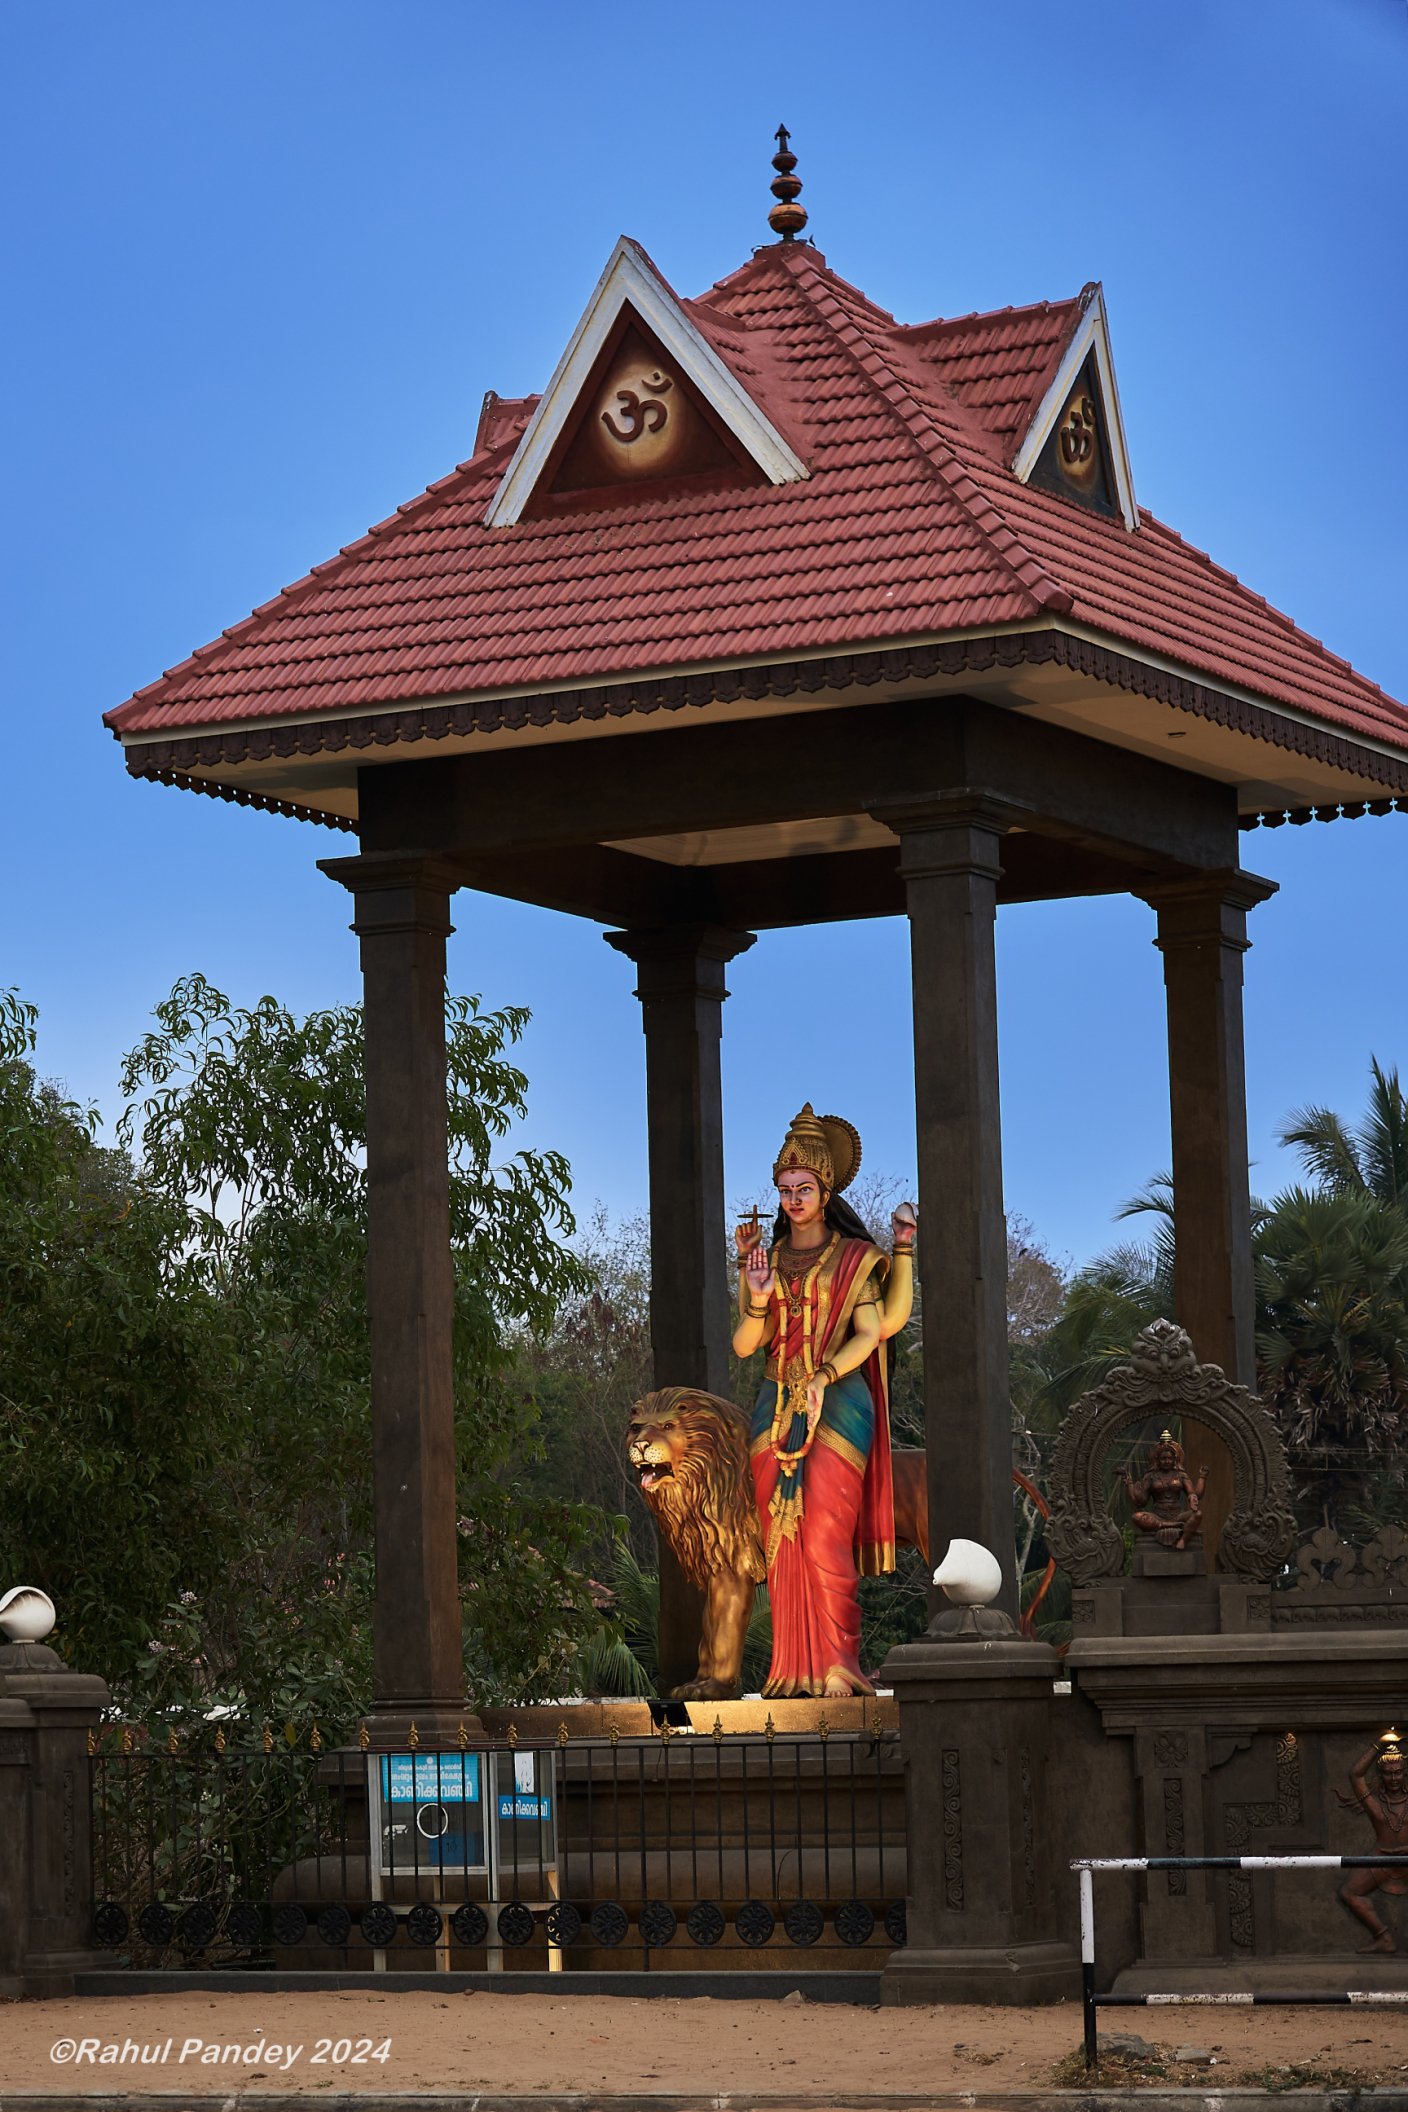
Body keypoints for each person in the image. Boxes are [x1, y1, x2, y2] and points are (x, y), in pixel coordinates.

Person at [732, 1105, 916, 1699]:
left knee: (823, 1536)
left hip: (839, 1402)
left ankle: (839, 1663)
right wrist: (756, 1294)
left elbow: (873, 1331)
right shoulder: (766, 1260)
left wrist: (824, 1375)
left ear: (826, 1191)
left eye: (803, 1189)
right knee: (780, 1538)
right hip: (774, 1406)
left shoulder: (854, 1259)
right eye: (784, 1190)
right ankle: (790, 1669)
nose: (792, 1200)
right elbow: (745, 1345)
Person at [1338, 1733, 1408, 1952]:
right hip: (1381, 1859)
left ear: (1405, 1774)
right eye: (1388, 1773)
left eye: (1398, 1772)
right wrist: (1380, 1744)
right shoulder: (1374, 1804)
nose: (1394, 1778)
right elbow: (1355, 1775)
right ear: (1381, 1775)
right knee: (1349, 1892)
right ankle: (1384, 1938)